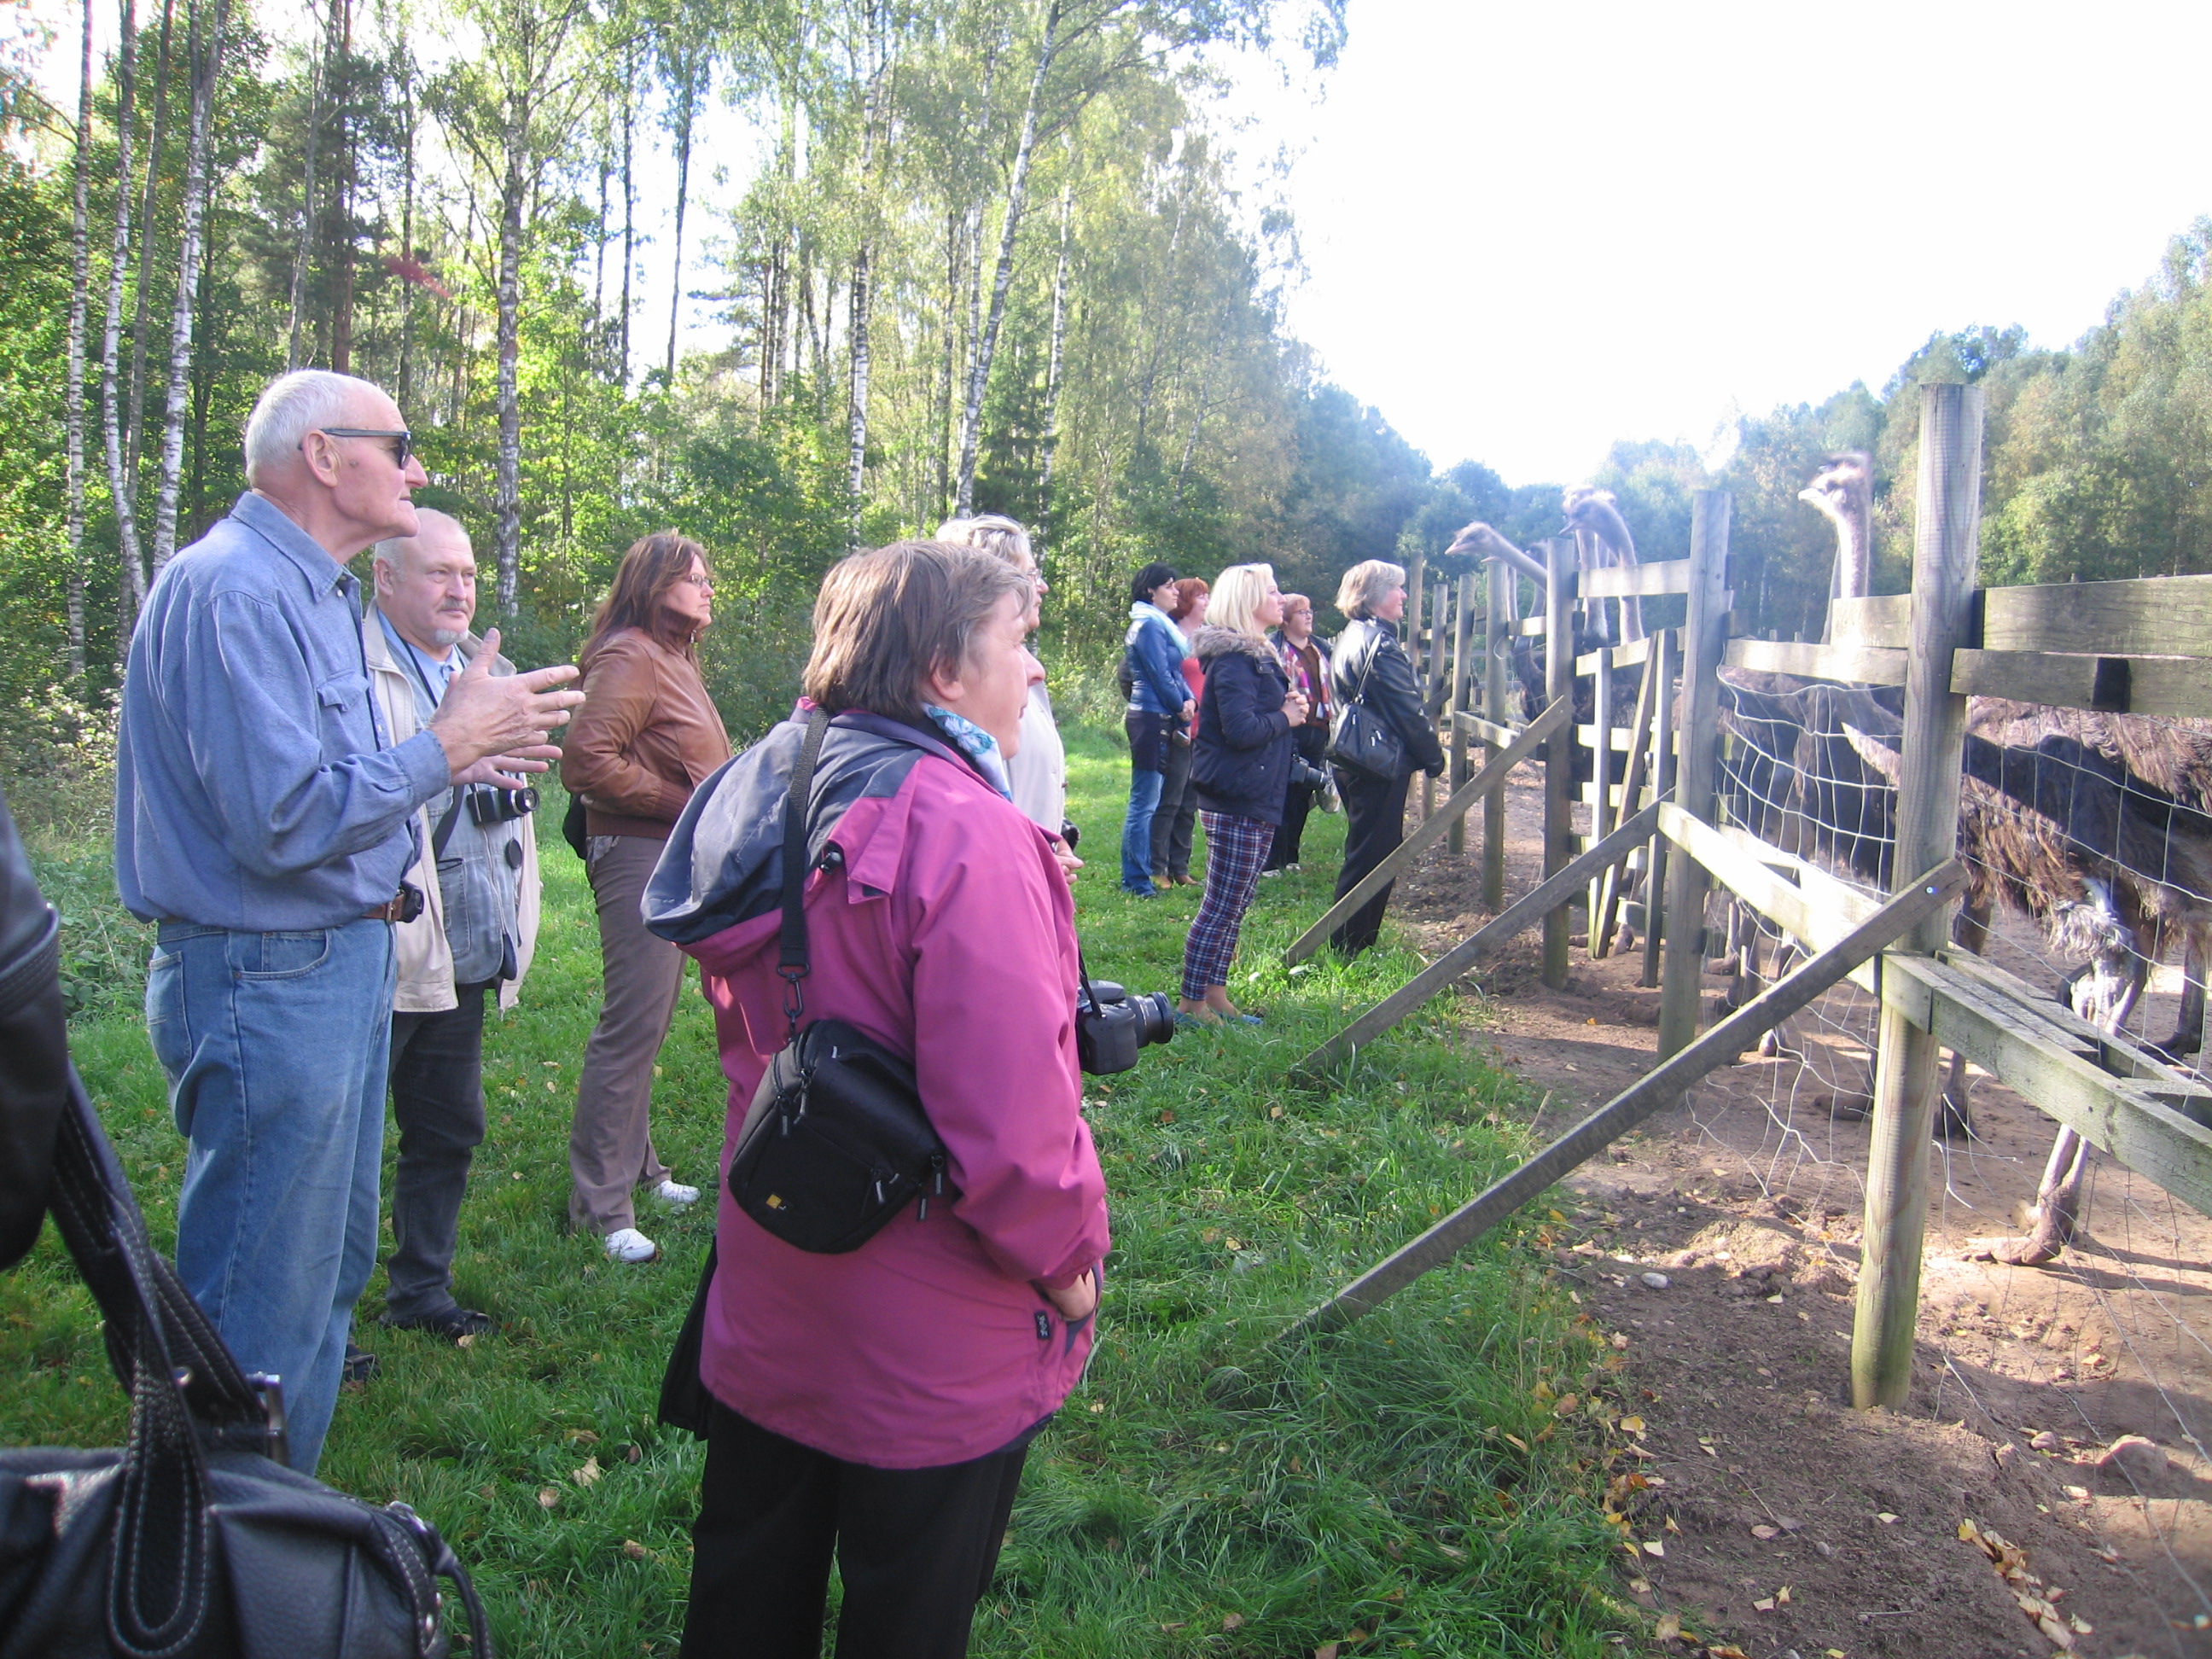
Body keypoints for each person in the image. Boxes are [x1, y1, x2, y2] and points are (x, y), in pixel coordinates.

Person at [642, 538, 1109, 1659]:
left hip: (773, 1269)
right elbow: (1013, 1134)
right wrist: (1071, 1273)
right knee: (909, 1614)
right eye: (1020, 641)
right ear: (944, 669)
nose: (1036, 668)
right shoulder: (966, 832)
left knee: (745, 1592)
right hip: (931, 1335)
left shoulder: (767, 778)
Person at [114, 369, 580, 1471]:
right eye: (399, 445)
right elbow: (282, 821)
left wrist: (449, 756)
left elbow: (333, 790)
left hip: (330, 965)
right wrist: (446, 747)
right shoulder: (235, 592)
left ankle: (278, 1521)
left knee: (322, 1279)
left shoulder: (313, 596)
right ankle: (222, 1547)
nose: (417, 470)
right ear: (322, 456)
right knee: (260, 1302)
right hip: (267, 975)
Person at [364, 509, 543, 1342]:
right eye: (438, 572)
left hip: (467, 940)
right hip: (380, 945)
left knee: (447, 1129)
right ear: (385, 578)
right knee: (344, 1146)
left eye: (467, 573)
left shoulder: (493, 671)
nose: (459, 589)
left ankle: (421, 1292)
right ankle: (324, 1322)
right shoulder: (351, 667)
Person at [562, 532, 733, 1264]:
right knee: (631, 1024)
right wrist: (680, 805)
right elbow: (585, 761)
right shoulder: (631, 653)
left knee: (652, 1019)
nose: (707, 588)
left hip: (665, 851)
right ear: (655, 584)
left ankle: (639, 1169)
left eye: (707, 578)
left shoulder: (673, 655)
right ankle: (601, 1208)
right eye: (693, 578)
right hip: (636, 850)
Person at [1178, 564, 1307, 1025]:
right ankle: (1191, 1004)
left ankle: (1215, 995)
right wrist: (1285, 717)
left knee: (1235, 903)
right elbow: (1240, 730)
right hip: (1236, 795)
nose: (1280, 598)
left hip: (1253, 791)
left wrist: (1287, 708)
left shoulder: (1253, 656)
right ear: (1248, 600)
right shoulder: (1235, 660)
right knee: (1221, 904)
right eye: (1272, 591)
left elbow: (1254, 717)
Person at [934, 515, 1080, 880]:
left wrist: (1055, 833)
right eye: (1029, 575)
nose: (1042, 587)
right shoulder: (973, 680)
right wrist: (1025, 863)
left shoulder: (1022, 666)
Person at [1327, 559, 1447, 958]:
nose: (1404, 595)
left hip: (1355, 759)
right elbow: (1407, 710)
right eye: (1397, 587)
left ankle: (1352, 943)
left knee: (1368, 852)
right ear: (1375, 594)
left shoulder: (1353, 635)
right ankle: (1349, 947)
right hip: (1375, 764)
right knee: (1372, 857)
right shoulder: (1380, 645)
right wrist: (1434, 757)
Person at [1119, 562, 1191, 896]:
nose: (1175, 592)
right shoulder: (1147, 625)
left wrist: (1189, 699)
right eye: (1169, 585)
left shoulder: (1161, 626)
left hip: (1160, 716)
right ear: (1151, 590)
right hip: (1148, 717)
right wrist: (1180, 705)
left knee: (1153, 799)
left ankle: (1141, 874)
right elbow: (1159, 675)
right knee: (1145, 801)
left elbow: (1174, 672)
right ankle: (1135, 880)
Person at [1263, 591, 1332, 873]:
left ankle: (1291, 856)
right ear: (1286, 619)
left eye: (1310, 611)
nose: (1309, 616)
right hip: (1289, 730)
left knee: (1304, 794)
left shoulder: (1321, 648)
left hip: (1319, 730)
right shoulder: (1273, 649)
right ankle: (1271, 860)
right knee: (1281, 792)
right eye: (1302, 612)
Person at [1150, 576, 1208, 887]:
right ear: (1186, 601)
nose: (1207, 601)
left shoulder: (1207, 639)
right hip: (1177, 728)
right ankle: (1158, 867)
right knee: (1170, 800)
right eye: (1201, 596)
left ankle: (1180, 866)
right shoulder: (1168, 635)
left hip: (1203, 732)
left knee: (1189, 804)